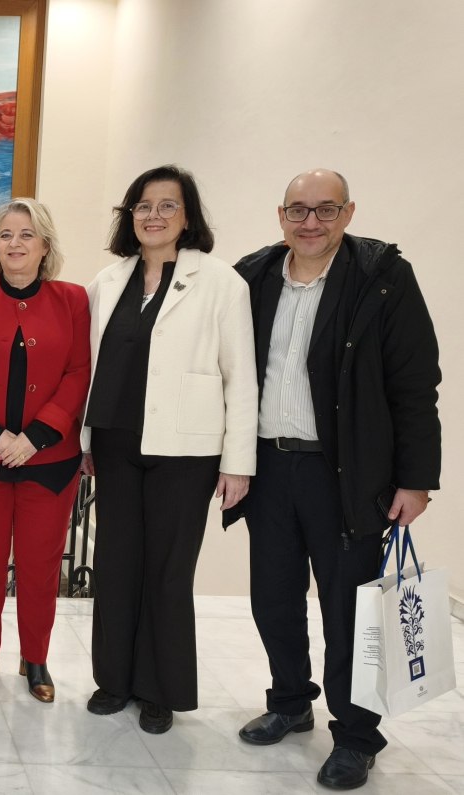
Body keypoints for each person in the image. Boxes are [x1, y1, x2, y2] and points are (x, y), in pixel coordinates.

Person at [231, 169, 441, 790]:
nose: (311, 222)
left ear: (348, 213)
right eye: (298, 210)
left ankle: (355, 735)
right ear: (280, 215)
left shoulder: (382, 278)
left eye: (325, 209)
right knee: (273, 596)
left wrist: (416, 479)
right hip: (270, 466)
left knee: (349, 611)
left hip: (346, 473)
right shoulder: (254, 276)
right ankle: (290, 701)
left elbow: (415, 384)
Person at [81, 165, 255, 733]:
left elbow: (242, 377)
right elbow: (90, 368)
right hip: (115, 444)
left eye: (167, 206)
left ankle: (159, 690)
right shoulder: (109, 281)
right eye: (143, 206)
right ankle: (114, 680)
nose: (153, 216)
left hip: (186, 451)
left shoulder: (222, 283)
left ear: (188, 216)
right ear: (129, 216)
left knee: (168, 570)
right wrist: (85, 440)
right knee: (115, 564)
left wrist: (238, 463)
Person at [0, 198, 90, 701]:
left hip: (50, 461)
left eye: (27, 234)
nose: (15, 243)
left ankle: (36, 659)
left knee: (40, 566)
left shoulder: (73, 300)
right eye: (5, 234)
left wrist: (36, 438)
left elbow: (79, 373)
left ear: (45, 245)